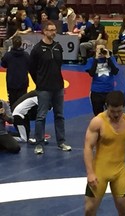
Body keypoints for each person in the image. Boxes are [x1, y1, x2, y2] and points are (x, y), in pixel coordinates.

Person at [29, 20, 71, 154]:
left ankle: (61, 142)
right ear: (44, 31)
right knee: (41, 116)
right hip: (43, 88)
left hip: (58, 87)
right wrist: (40, 82)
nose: (54, 32)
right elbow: (32, 69)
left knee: (60, 115)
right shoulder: (37, 49)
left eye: (54, 30)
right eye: (51, 30)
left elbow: (59, 65)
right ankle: (39, 144)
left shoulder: (58, 47)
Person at [84, 39, 119, 116]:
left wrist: (108, 58)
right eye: (99, 49)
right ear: (95, 50)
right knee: (98, 115)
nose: (101, 51)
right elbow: (91, 73)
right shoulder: (91, 60)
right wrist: (96, 59)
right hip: (97, 91)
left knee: (111, 115)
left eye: (102, 49)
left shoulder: (111, 59)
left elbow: (115, 71)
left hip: (109, 90)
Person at [1, 35, 30, 108]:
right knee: (22, 102)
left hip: (11, 82)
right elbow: (30, 65)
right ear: (21, 44)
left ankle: (13, 116)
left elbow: (3, 65)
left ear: (12, 44)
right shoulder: (26, 55)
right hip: (23, 81)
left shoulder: (8, 55)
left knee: (12, 101)